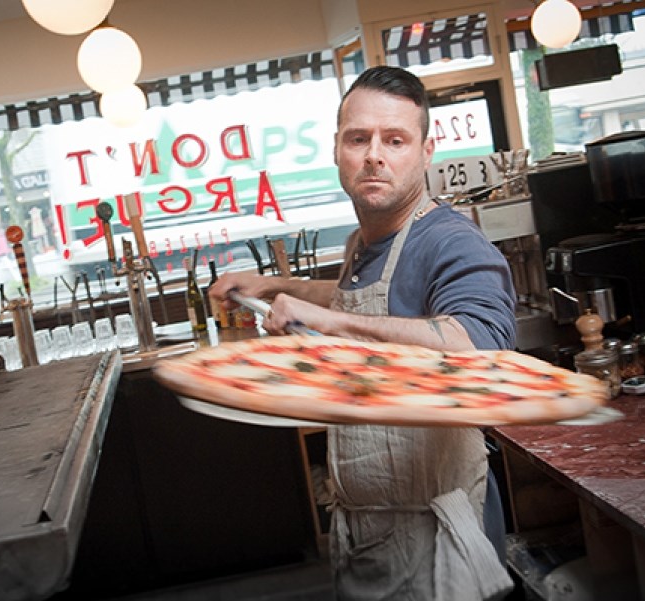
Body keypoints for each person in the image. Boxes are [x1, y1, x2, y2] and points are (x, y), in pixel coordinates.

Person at [211, 66, 516, 600]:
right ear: (336, 149)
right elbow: (362, 299)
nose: (374, 154)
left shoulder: (449, 240)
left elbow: (482, 347)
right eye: (359, 138)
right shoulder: (369, 240)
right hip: (369, 528)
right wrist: (275, 284)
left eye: (395, 139)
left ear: (426, 150)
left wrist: (335, 324)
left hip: (437, 538)